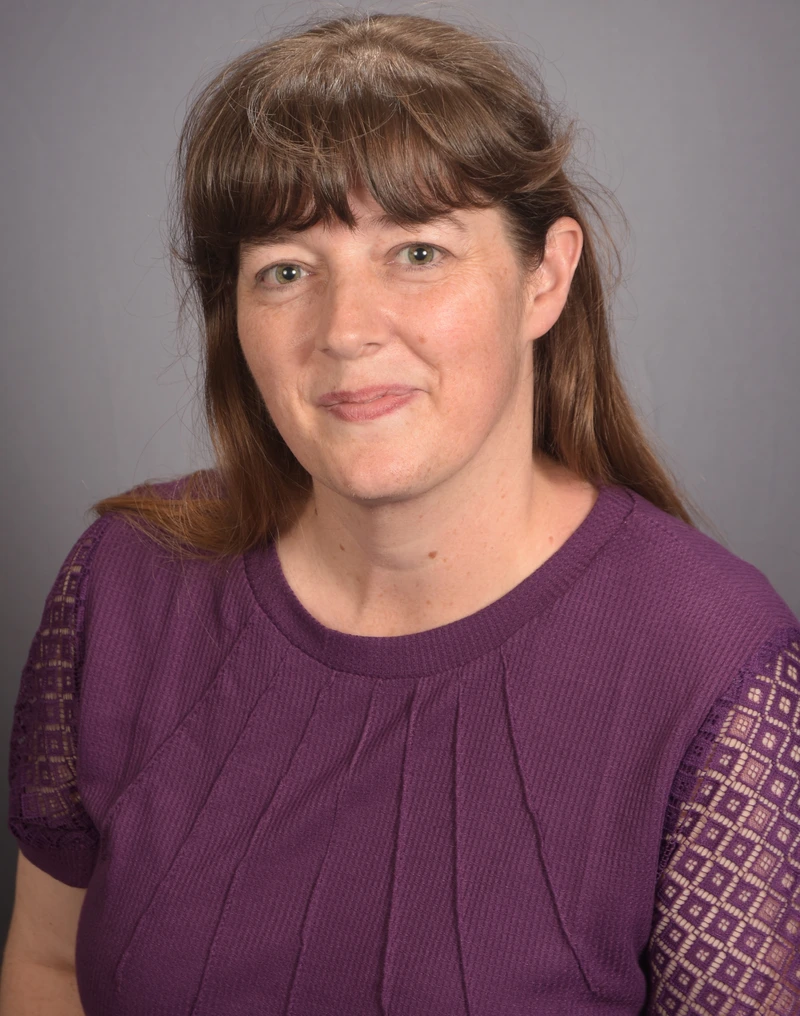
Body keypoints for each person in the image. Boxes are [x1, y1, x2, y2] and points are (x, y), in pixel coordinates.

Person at [2, 10, 798, 1016]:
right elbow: (49, 967)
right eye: (286, 270)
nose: (345, 330)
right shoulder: (123, 578)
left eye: (417, 252)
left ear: (545, 277)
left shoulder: (713, 657)